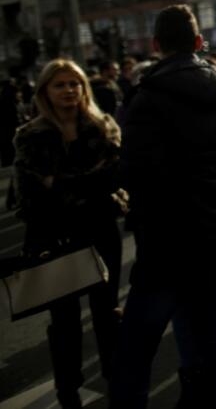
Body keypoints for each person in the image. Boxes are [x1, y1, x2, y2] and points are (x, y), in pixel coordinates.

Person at [110, 5, 216, 408]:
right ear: (198, 42)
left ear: (156, 45)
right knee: (212, 334)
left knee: (136, 347)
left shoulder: (146, 97)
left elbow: (133, 172)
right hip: (214, 233)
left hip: (164, 241)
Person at [13, 59, 124, 408]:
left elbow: (116, 178)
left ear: (84, 89)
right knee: (64, 322)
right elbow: (31, 197)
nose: (68, 90)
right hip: (55, 238)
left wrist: (63, 186)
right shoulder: (30, 137)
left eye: (74, 84)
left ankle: (115, 377)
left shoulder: (103, 127)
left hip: (101, 231)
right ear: (45, 91)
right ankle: (68, 390)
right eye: (59, 85)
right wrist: (90, 186)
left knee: (107, 311)